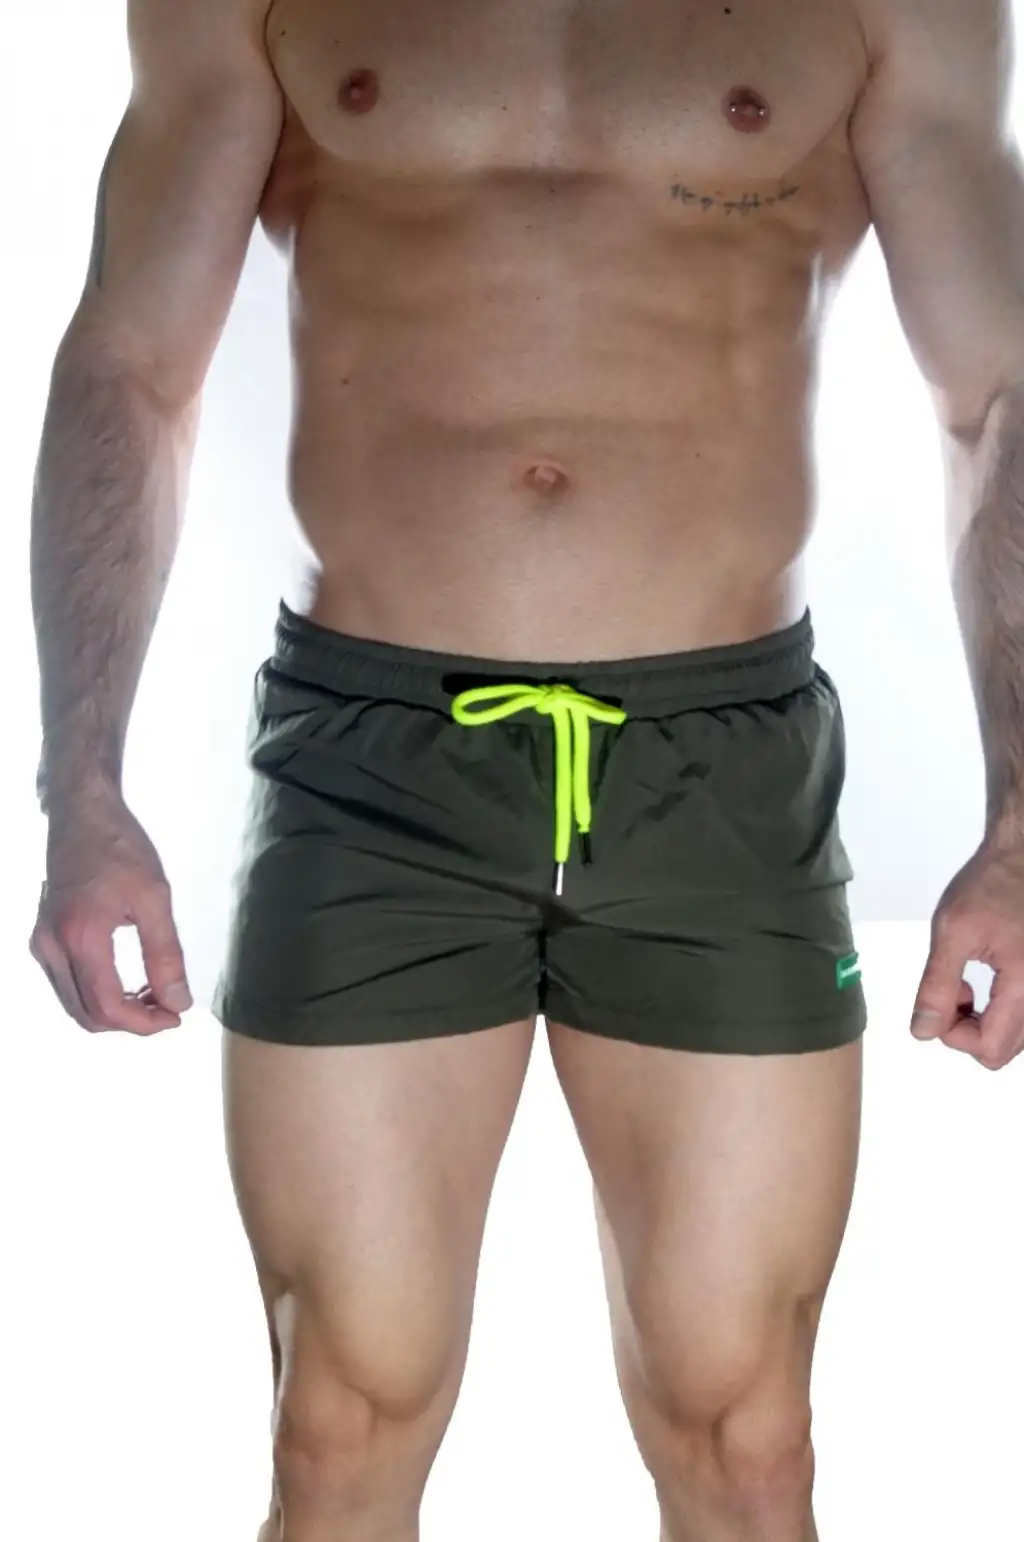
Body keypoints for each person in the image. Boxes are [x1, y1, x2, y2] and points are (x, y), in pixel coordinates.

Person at [27, 0, 1024, 1538]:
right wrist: (81, 784)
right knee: (337, 1417)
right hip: (372, 767)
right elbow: (134, 362)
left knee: (747, 1429)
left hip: (720, 764)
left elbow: (997, 393)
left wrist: (1020, 817)